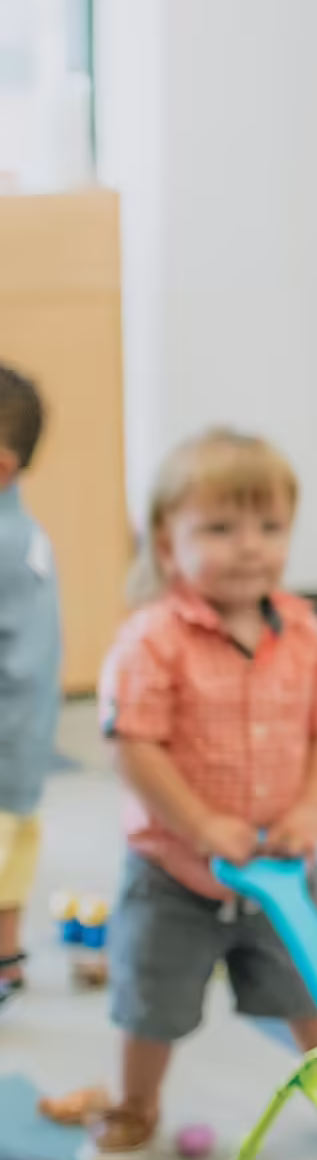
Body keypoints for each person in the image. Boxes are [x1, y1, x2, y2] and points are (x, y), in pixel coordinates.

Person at [64, 429, 317, 1160]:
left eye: (269, 528)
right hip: (173, 873)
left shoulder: (302, 630)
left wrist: (311, 812)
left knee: (311, 995)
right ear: (168, 546)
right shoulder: (151, 641)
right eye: (220, 528)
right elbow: (133, 746)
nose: (250, 547)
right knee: (151, 1006)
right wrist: (202, 825)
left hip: (278, 866)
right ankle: (137, 1107)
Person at [0, 364, 61, 1007]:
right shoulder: (25, 534)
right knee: (12, 861)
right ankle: (7, 960)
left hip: (3, 738)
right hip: (25, 747)